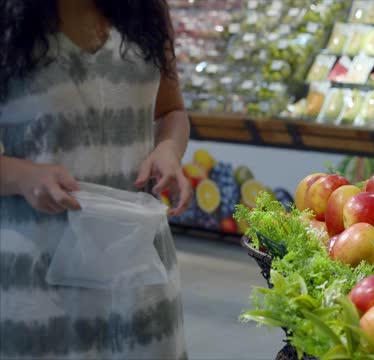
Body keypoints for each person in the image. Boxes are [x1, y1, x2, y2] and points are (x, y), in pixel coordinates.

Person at [0, 0, 192, 359]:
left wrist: (168, 148)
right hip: (38, 274)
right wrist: (23, 176)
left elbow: (172, 110)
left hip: (138, 265)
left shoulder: (147, 9)